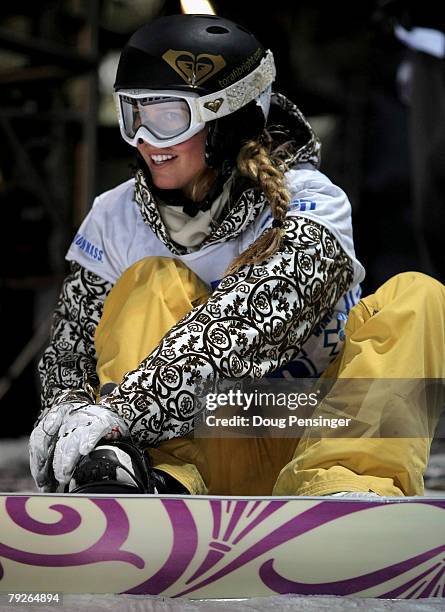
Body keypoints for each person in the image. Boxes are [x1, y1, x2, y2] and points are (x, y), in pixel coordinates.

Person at [29, 13, 445, 497]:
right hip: (208, 450)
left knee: (419, 297)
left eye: (167, 118)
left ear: (226, 120)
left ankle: (347, 487)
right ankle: (153, 479)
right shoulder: (114, 216)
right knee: (150, 281)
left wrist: (130, 407)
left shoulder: (313, 200)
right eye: (131, 115)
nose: (144, 139)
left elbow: (261, 314)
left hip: (313, 436)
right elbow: (75, 341)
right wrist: (68, 409)